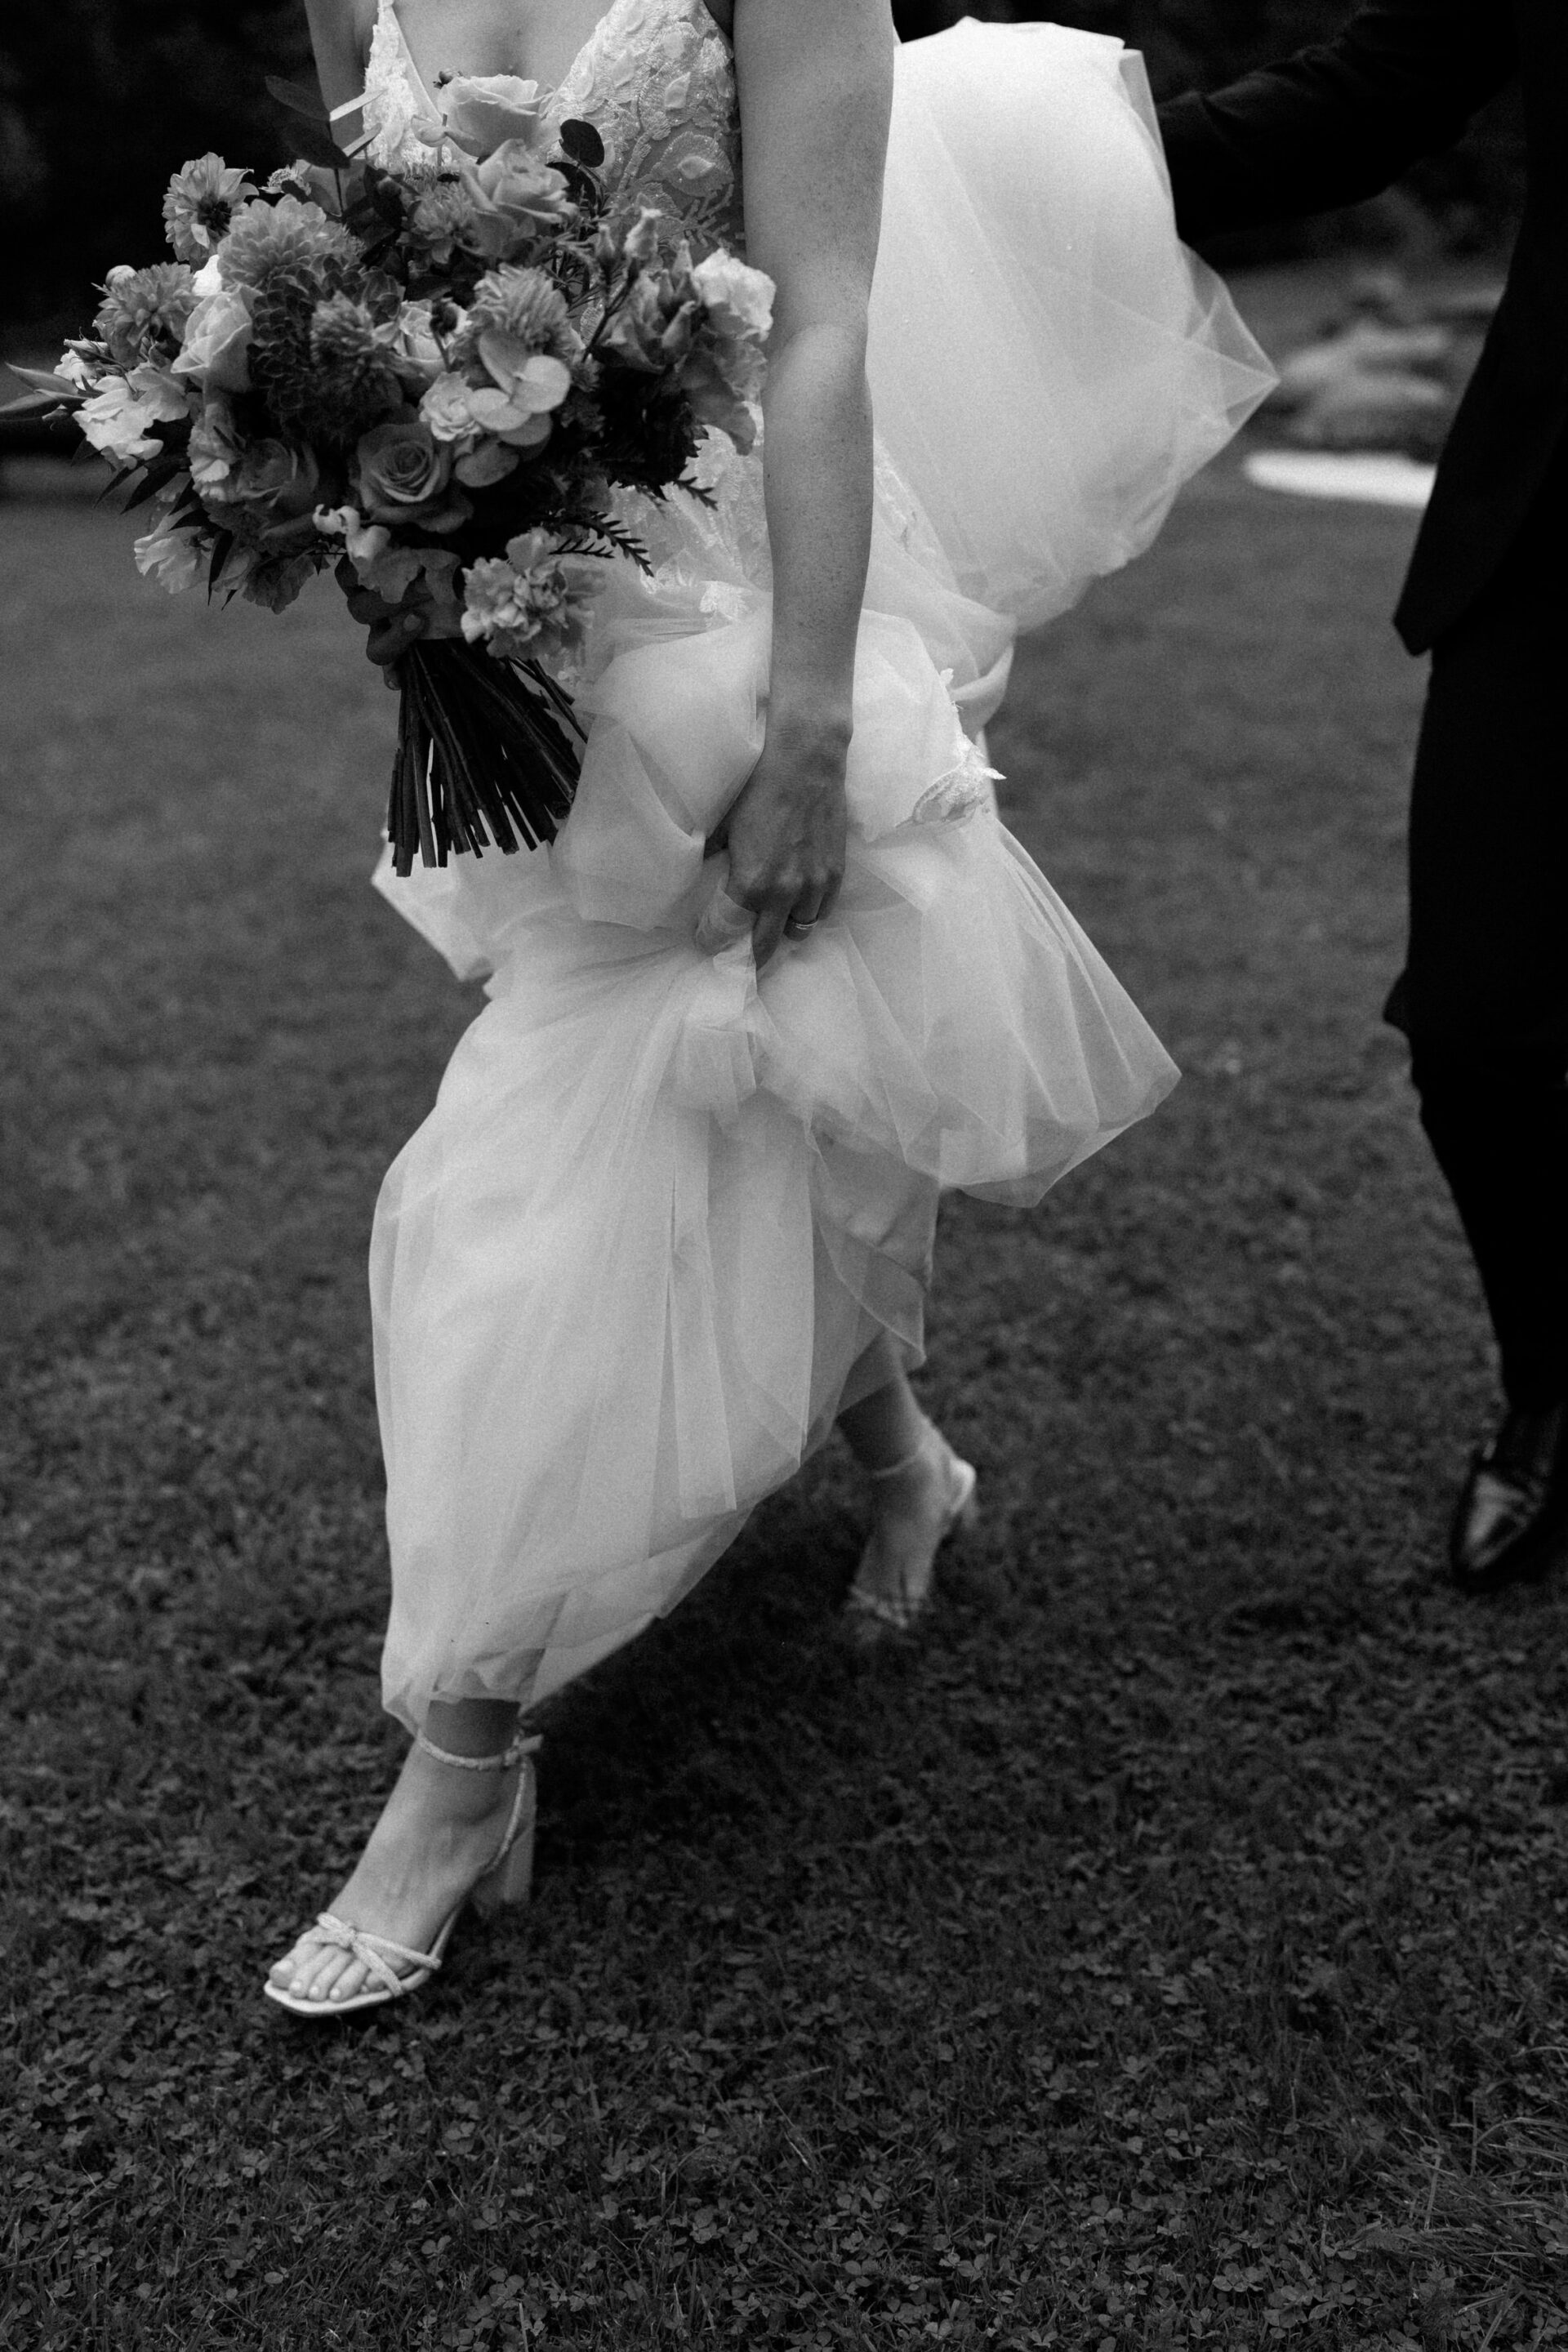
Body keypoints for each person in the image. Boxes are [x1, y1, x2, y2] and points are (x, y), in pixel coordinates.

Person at [265, 0, 1267, 2015]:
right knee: (755, 1080)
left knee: (550, 1144)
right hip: (527, 627)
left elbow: (821, 324)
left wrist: (817, 721)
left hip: (761, 598)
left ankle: (457, 1769)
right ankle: (908, 1464)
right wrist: (393, 540)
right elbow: (379, 288)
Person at [1157, 2, 1567, 1597]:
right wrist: (1022, 156)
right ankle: (1553, 1382)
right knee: (1479, 1026)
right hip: (1559, 524)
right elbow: (1367, 100)